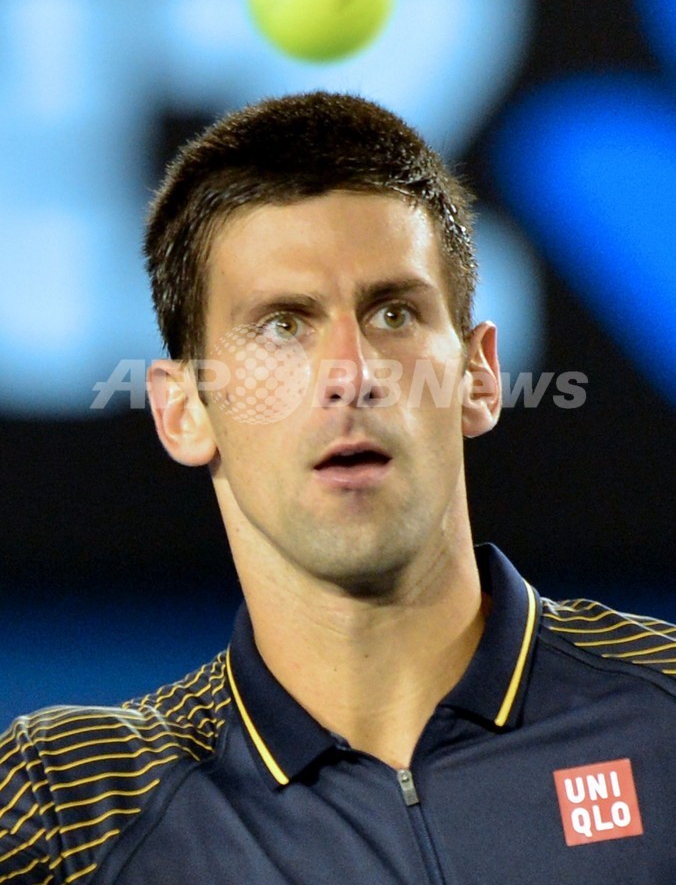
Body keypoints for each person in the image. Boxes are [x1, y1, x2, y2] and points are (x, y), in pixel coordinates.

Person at [0, 91, 674, 884]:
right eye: (283, 325)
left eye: (394, 314)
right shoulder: (65, 805)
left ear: (480, 376)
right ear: (183, 411)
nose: (351, 374)